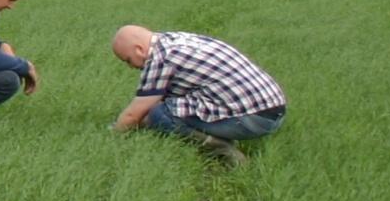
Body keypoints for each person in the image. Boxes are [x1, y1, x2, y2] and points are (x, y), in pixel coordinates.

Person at [111, 25, 286, 165]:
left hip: (253, 120)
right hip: (274, 111)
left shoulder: (160, 58)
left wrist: (114, 135)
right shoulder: (174, 40)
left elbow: (134, 114)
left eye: (128, 60)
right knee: (168, 108)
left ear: (139, 49)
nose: (131, 66)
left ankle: (226, 152)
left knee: (160, 114)